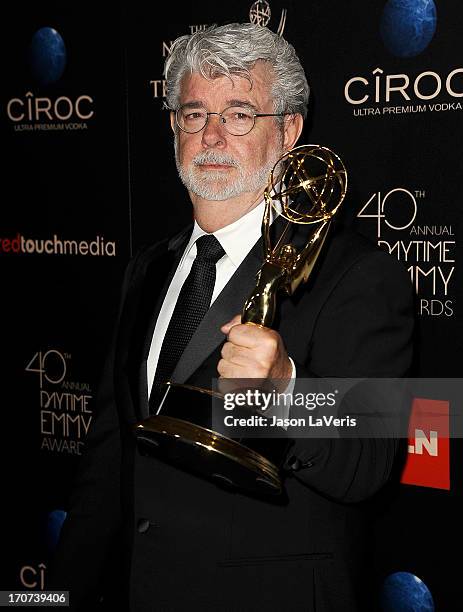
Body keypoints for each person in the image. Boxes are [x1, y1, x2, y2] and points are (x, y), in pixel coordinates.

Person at [49, 23, 414, 611]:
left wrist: (287, 392)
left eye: (240, 113)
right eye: (194, 114)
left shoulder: (356, 275)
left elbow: (371, 461)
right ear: (173, 127)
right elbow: (109, 464)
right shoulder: (148, 269)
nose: (212, 135)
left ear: (290, 130)